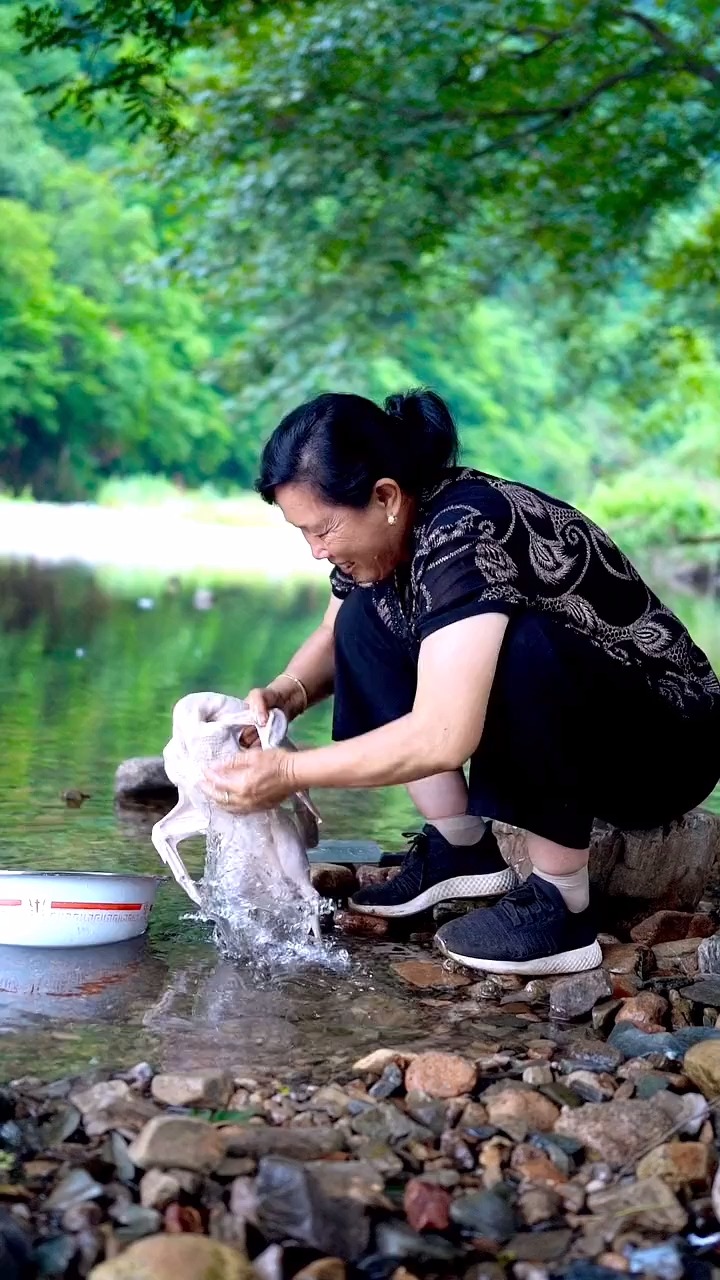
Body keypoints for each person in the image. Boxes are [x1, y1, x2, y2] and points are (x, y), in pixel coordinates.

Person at [202, 390, 720, 975]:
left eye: (322, 530)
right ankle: (460, 847)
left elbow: (443, 736)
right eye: (303, 533)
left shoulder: (466, 532)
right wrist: (285, 694)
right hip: (596, 728)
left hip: (665, 745)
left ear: (386, 496)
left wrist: (287, 773)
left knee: (522, 644)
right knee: (362, 616)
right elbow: (332, 632)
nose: (315, 551)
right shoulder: (394, 536)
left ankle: (562, 905)